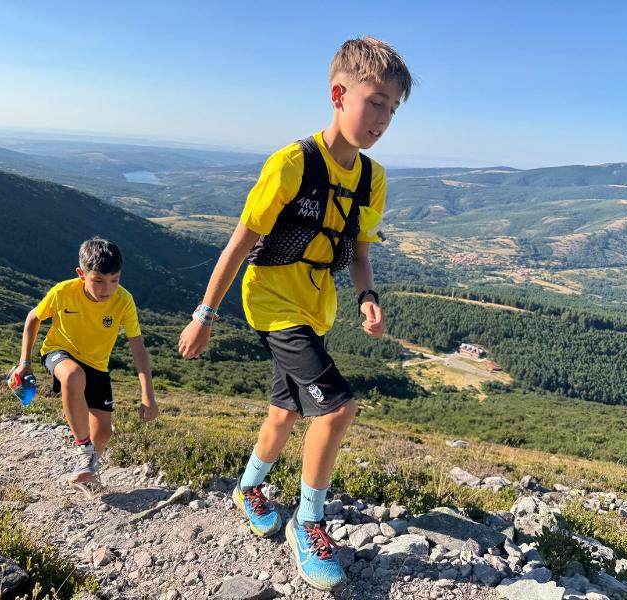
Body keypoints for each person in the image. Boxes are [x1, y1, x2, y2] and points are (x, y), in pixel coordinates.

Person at [178, 37, 412, 591]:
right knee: (337, 409)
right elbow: (240, 243)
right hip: (271, 303)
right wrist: (204, 315)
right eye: (375, 102)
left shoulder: (372, 178)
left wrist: (366, 297)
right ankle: (308, 524)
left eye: (392, 109)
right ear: (338, 94)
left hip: (316, 308)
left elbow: (359, 253)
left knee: (285, 413)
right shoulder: (291, 164)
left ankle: (249, 488)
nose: (383, 119)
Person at [14, 237, 158, 485]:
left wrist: (148, 395)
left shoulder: (124, 300)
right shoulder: (62, 292)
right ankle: (83, 448)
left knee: (103, 433)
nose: (107, 289)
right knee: (73, 375)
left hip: (97, 365)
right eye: (98, 281)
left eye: (114, 280)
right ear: (81, 274)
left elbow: (138, 348)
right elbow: (33, 318)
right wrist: (24, 362)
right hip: (59, 351)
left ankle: (88, 471)